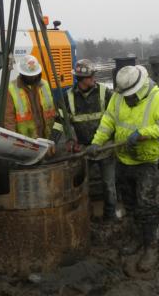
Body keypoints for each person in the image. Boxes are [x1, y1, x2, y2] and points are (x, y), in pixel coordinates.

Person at [87, 65, 159, 272]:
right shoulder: (118, 98)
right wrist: (97, 142)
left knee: (146, 205)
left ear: (140, 87)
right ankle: (137, 239)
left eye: (131, 95)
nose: (128, 98)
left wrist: (143, 133)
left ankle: (150, 246)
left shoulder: (157, 99)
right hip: (123, 160)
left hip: (146, 162)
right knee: (129, 203)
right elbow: (108, 121)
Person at [52, 59, 116, 221]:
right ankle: (85, 217)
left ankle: (110, 215)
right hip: (83, 151)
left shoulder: (105, 93)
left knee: (109, 185)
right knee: (82, 186)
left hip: (105, 148)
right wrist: (55, 142)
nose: (94, 79)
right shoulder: (68, 98)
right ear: (81, 79)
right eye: (90, 77)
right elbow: (60, 123)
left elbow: (117, 117)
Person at [4, 54, 56, 139]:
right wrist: (12, 140)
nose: (33, 77)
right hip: (26, 141)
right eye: (29, 75)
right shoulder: (11, 89)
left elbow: (54, 111)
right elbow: (8, 119)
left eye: (34, 74)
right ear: (22, 73)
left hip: (47, 137)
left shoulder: (45, 85)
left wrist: (53, 138)